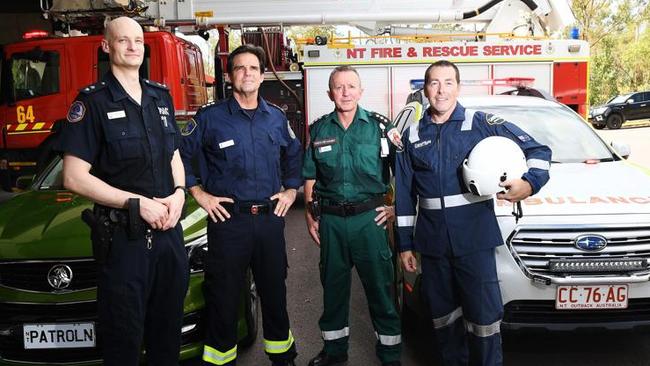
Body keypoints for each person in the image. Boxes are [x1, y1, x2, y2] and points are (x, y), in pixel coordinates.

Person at [395, 60, 552, 366]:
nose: (441, 91)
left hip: (474, 241)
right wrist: (404, 245)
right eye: (434, 83)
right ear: (425, 89)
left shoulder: (480, 123)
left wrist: (528, 184)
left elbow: (538, 151)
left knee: (483, 320)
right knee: (443, 320)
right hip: (433, 244)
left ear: (458, 86)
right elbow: (403, 194)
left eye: (448, 82)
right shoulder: (412, 136)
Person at [59, 17, 189, 366]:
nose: (133, 47)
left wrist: (179, 193)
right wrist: (137, 204)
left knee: (167, 339)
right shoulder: (93, 103)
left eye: (138, 40)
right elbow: (73, 177)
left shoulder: (160, 96)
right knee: (124, 344)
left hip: (168, 237)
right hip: (125, 241)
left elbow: (174, 154)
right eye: (123, 41)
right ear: (106, 46)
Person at [179, 44, 302, 366]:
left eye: (253, 68)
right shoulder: (210, 118)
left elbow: (294, 154)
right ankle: (221, 361)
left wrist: (290, 191)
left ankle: (283, 358)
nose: (247, 74)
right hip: (227, 223)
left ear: (262, 76)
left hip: (268, 220)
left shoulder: (275, 118)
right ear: (230, 75)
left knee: (274, 294)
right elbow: (181, 156)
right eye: (239, 68)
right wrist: (198, 193)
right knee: (224, 298)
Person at [303, 65, 402, 366]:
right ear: (329, 93)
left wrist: (396, 209)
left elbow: (403, 174)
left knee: (381, 291)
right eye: (338, 87)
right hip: (331, 222)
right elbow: (310, 176)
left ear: (361, 91)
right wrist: (310, 216)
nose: (345, 92)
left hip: (369, 221)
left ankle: (390, 355)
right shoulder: (319, 129)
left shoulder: (380, 127)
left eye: (351, 86)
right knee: (333, 292)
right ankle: (335, 353)